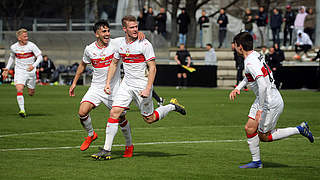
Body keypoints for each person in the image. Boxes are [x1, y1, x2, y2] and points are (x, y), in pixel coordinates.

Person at [91, 15, 186, 160]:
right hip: (126, 85)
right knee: (114, 113)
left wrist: (148, 88)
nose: (135, 30)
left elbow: (152, 68)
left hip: (142, 86)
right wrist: (108, 83)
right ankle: (106, 150)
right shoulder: (119, 44)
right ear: (124, 29)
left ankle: (172, 106)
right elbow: (114, 63)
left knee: (149, 118)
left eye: (136, 27)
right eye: (132, 27)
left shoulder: (145, 44)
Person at [229, 32, 314, 168]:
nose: (233, 47)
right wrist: (238, 87)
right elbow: (249, 76)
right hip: (263, 99)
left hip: (270, 101)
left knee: (264, 136)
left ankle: (299, 129)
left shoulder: (250, 62)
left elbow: (262, 86)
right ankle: (256, 162)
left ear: (240, 47)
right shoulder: (255, 55)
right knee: (250, 129)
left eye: (235, 45)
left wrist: (260, 109)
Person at [69, 20, 146, 156]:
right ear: (96, 34)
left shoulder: (116, 43)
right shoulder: (89, 49)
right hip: (96, 88)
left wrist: (138, 33)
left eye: (108, 31)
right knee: (82, 112)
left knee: (121, 118)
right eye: (104, 31)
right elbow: (82, 65)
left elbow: (131, 35)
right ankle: (91, 134)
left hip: (114, 89)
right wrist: (74, 82)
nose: (107, 34)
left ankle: (129, 145)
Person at [1, 28, 43, 117]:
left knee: (31, 93)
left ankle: (30, 88)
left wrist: (33, 65)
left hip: (31, 71)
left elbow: (40, 57)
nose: (26, 38)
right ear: (19, 38)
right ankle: (22, 110)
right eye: (24, 36)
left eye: (27, 36)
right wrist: (7, 69)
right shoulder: (14, 47)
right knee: (19, 89)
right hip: (20, 71)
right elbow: (12, 57)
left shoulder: (31, 46)